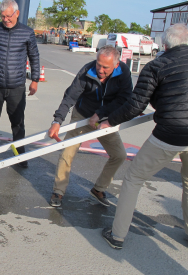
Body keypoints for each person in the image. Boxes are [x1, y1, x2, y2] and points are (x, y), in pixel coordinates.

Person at [100, 23, 188, 250]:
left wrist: (110, 120)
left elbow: (136, 105)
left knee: (133, 178)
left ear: (165, 45)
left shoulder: (156, 65)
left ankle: (117, 235)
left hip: (171, 131)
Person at [48, 45, 133, 207]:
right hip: (82, 115)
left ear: (116, 65)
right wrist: (57, 121)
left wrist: (101, 114)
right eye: (98, 64)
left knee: (119, 155)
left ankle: (98, 189)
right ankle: (58, 191)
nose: (100, 69)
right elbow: (70, 96)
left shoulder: (123, 73)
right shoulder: (87, 71)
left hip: (105, 119)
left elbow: (124, 98)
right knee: (67, 152)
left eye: (105, 67)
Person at [0, 0, 40, 168]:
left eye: (9, 16)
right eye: (3, 16)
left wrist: (34, 80)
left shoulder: (27, 33)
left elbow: (34, 57)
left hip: (16, 87)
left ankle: (20, 154)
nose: (6, 20)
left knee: (18, 123)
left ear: (17, 14)